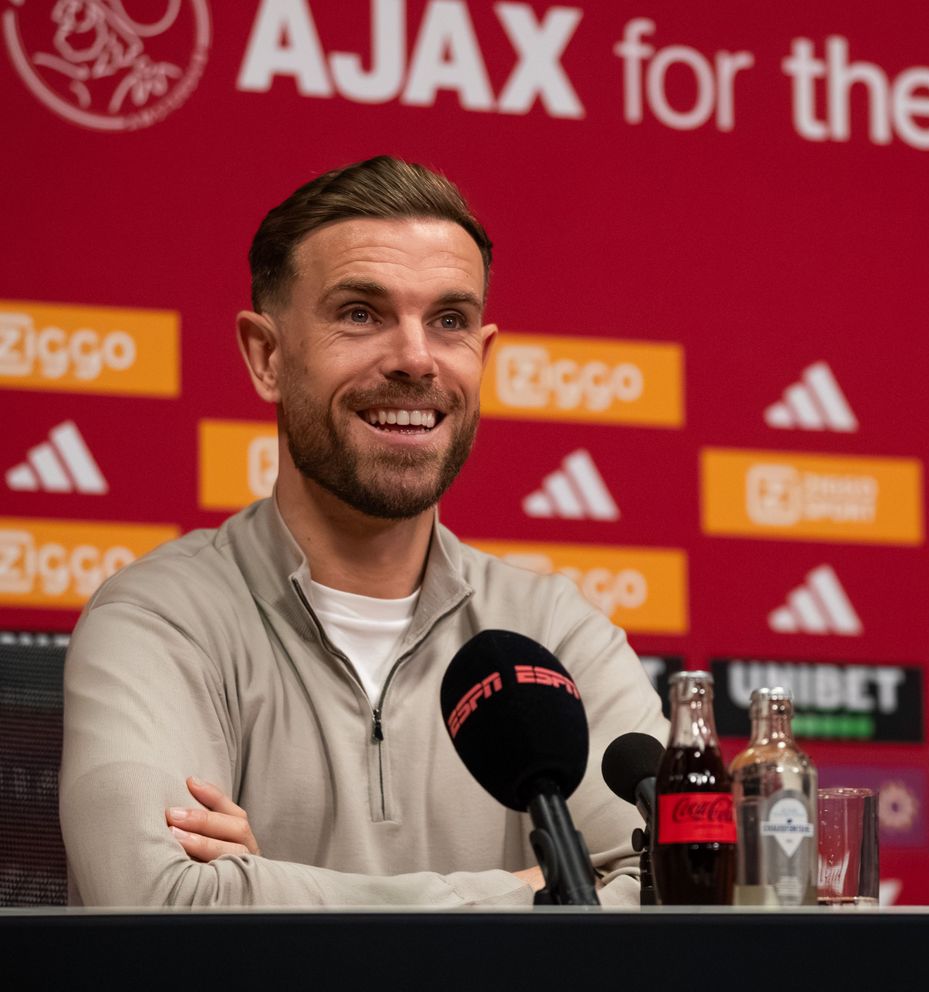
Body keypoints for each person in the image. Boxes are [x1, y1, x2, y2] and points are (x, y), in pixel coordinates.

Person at [60, 156, 668, 907]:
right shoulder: (157, 619)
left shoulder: (556, 630)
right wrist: (543, 891)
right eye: (360, 313)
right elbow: (160, 905)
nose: (415, 358)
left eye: (449, 321)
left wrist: (268, 889)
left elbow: (676, 886)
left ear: (483, 355)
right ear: (267, 357)